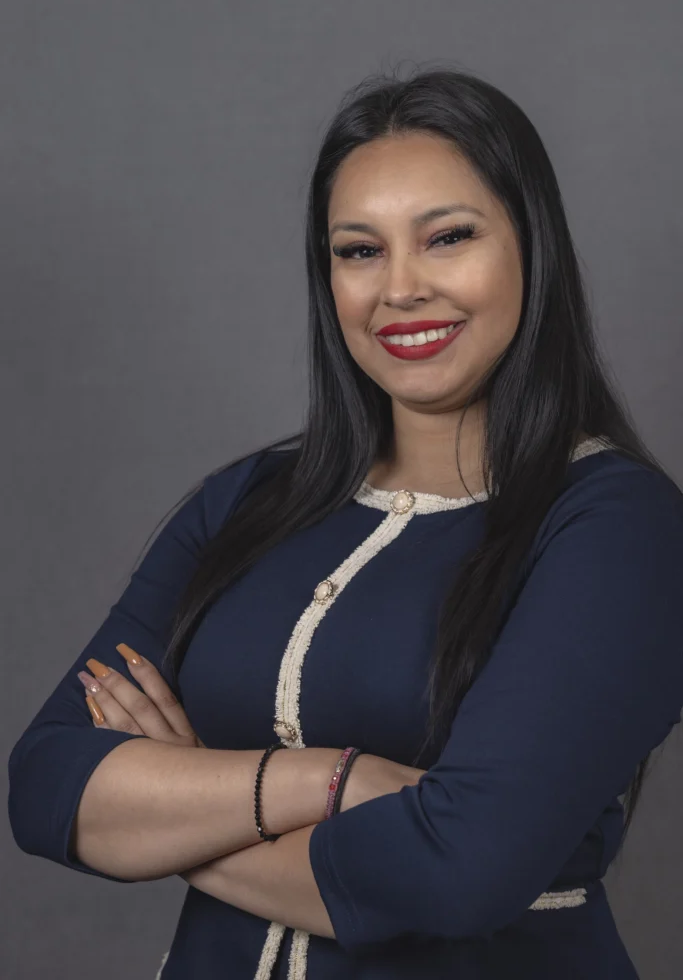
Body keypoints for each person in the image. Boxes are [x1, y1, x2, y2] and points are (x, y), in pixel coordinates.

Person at [8, 65, 683, 980]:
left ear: (532, 246)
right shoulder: (247, 499)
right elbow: (47, 785)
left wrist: (179, 804)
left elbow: (456, 874)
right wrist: (330, 783)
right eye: (358, 250)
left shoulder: (617, 527)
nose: (399, 289)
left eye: (447, 237)